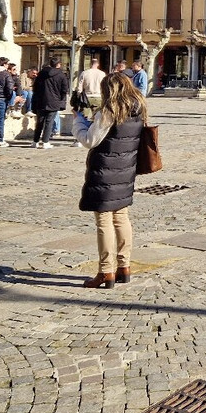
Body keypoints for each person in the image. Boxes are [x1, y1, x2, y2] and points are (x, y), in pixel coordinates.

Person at [74, 72, 146, 289]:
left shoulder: (110, 111)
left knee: (104, 220)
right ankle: (124, 267)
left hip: (105, 171)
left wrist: (78, 121)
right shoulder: (139, 108)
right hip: (125, 170)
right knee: (121, 217)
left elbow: (89, 140)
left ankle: (106, 271)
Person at [32, 56, 69, 149]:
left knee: (39, 121)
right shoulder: (61, 75)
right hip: (54, 101)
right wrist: (61, 99)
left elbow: (35, 87)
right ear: (58, 65)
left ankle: (35, 141)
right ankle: (45, 141)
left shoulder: (41, 73)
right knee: (49, 121)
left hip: (41, 100)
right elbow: (64, 89)